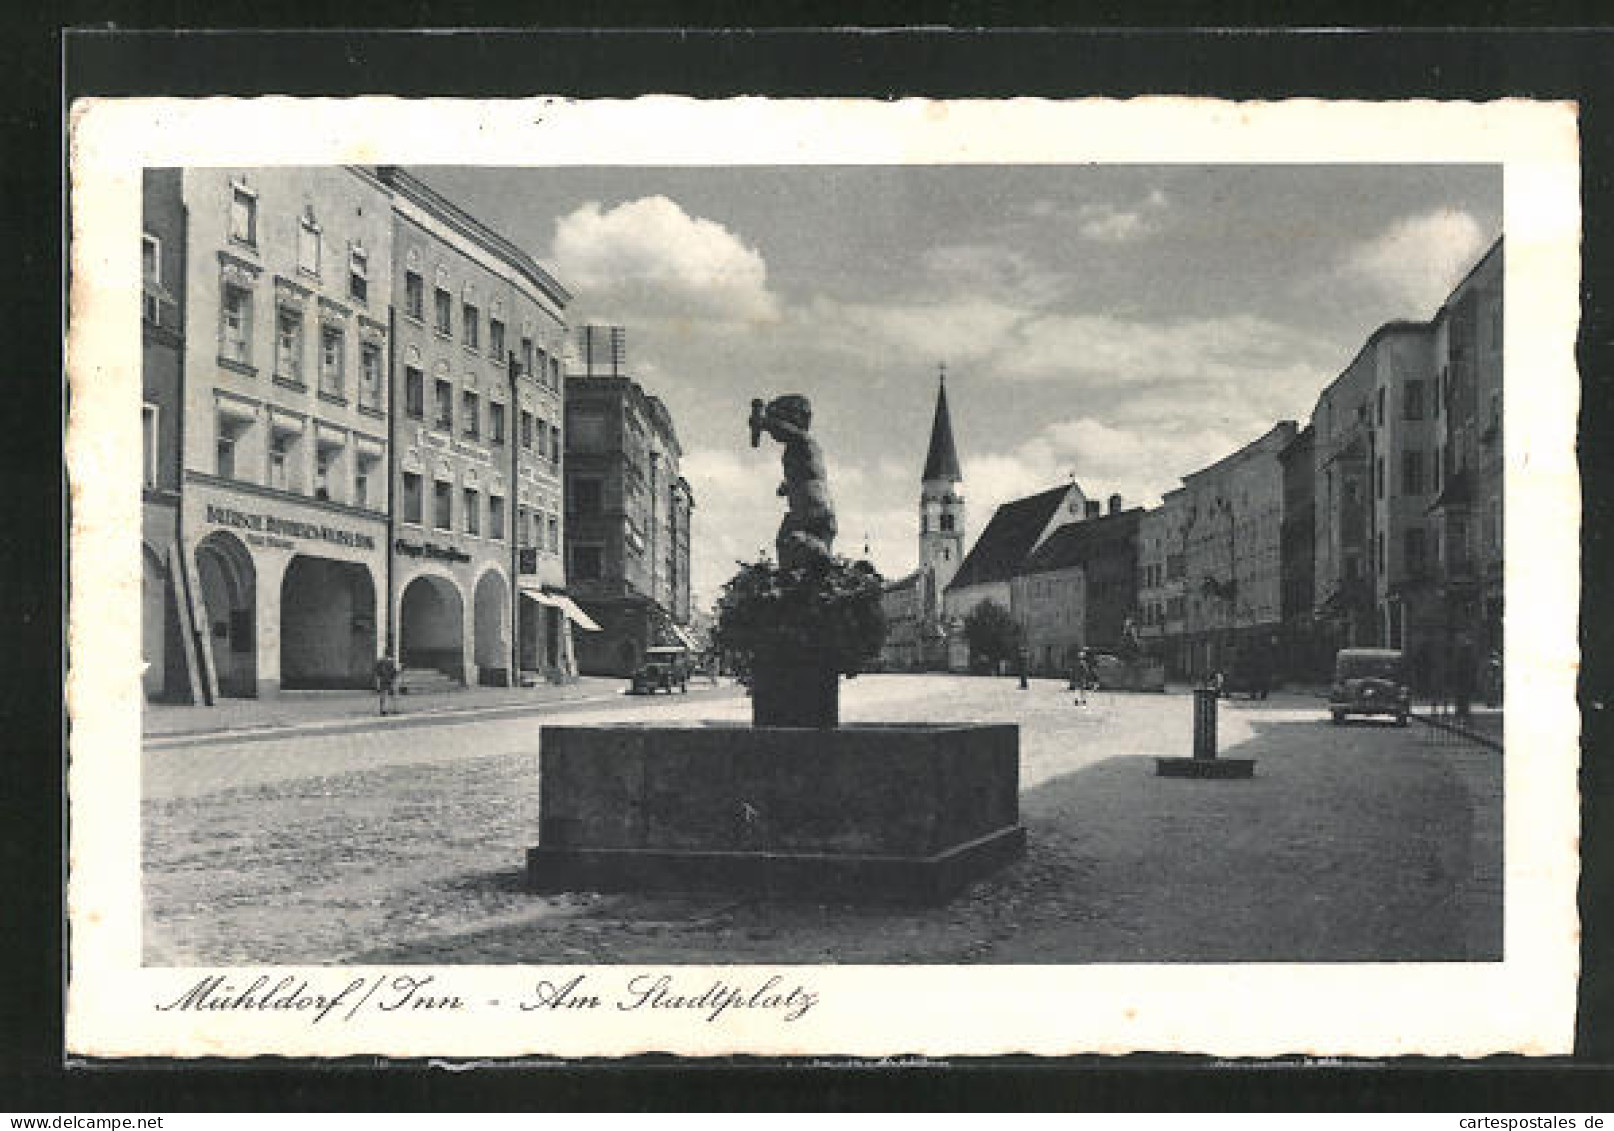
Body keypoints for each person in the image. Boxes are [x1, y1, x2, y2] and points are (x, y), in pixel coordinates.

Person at [375, 649, 399, 716]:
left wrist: (378, 679)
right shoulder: (391, 662)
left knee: (383, 695)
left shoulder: (380, 661)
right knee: (392, 695)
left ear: (384, 653)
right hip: (389, 680)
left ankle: (382, 709)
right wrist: (394, 678)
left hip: (382, 680)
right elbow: (394, 672)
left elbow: (377, 671)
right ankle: (394, 709)